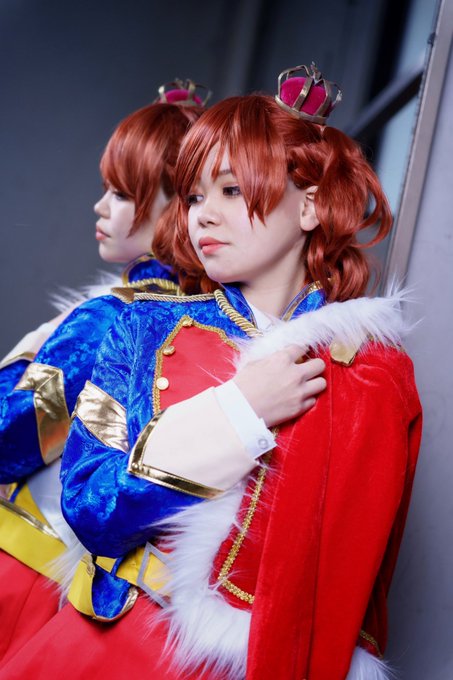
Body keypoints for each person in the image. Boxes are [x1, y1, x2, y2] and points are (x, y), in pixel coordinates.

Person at [0, 65, 421, 680]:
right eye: (194, 196)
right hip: (107, 647)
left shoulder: (367, 371)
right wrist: (236, 415)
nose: (204, 215)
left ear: (309, 205)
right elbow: (90, 505)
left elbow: (351, 585)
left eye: (230, 190)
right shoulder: (139, 326)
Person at [0, 79, 207, 666]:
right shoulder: (191, 328)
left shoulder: (112, 319)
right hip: (71, 582)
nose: (100, 207)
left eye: (120, 193)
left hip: (19, 559)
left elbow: (18, 434)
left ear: (175, 206)